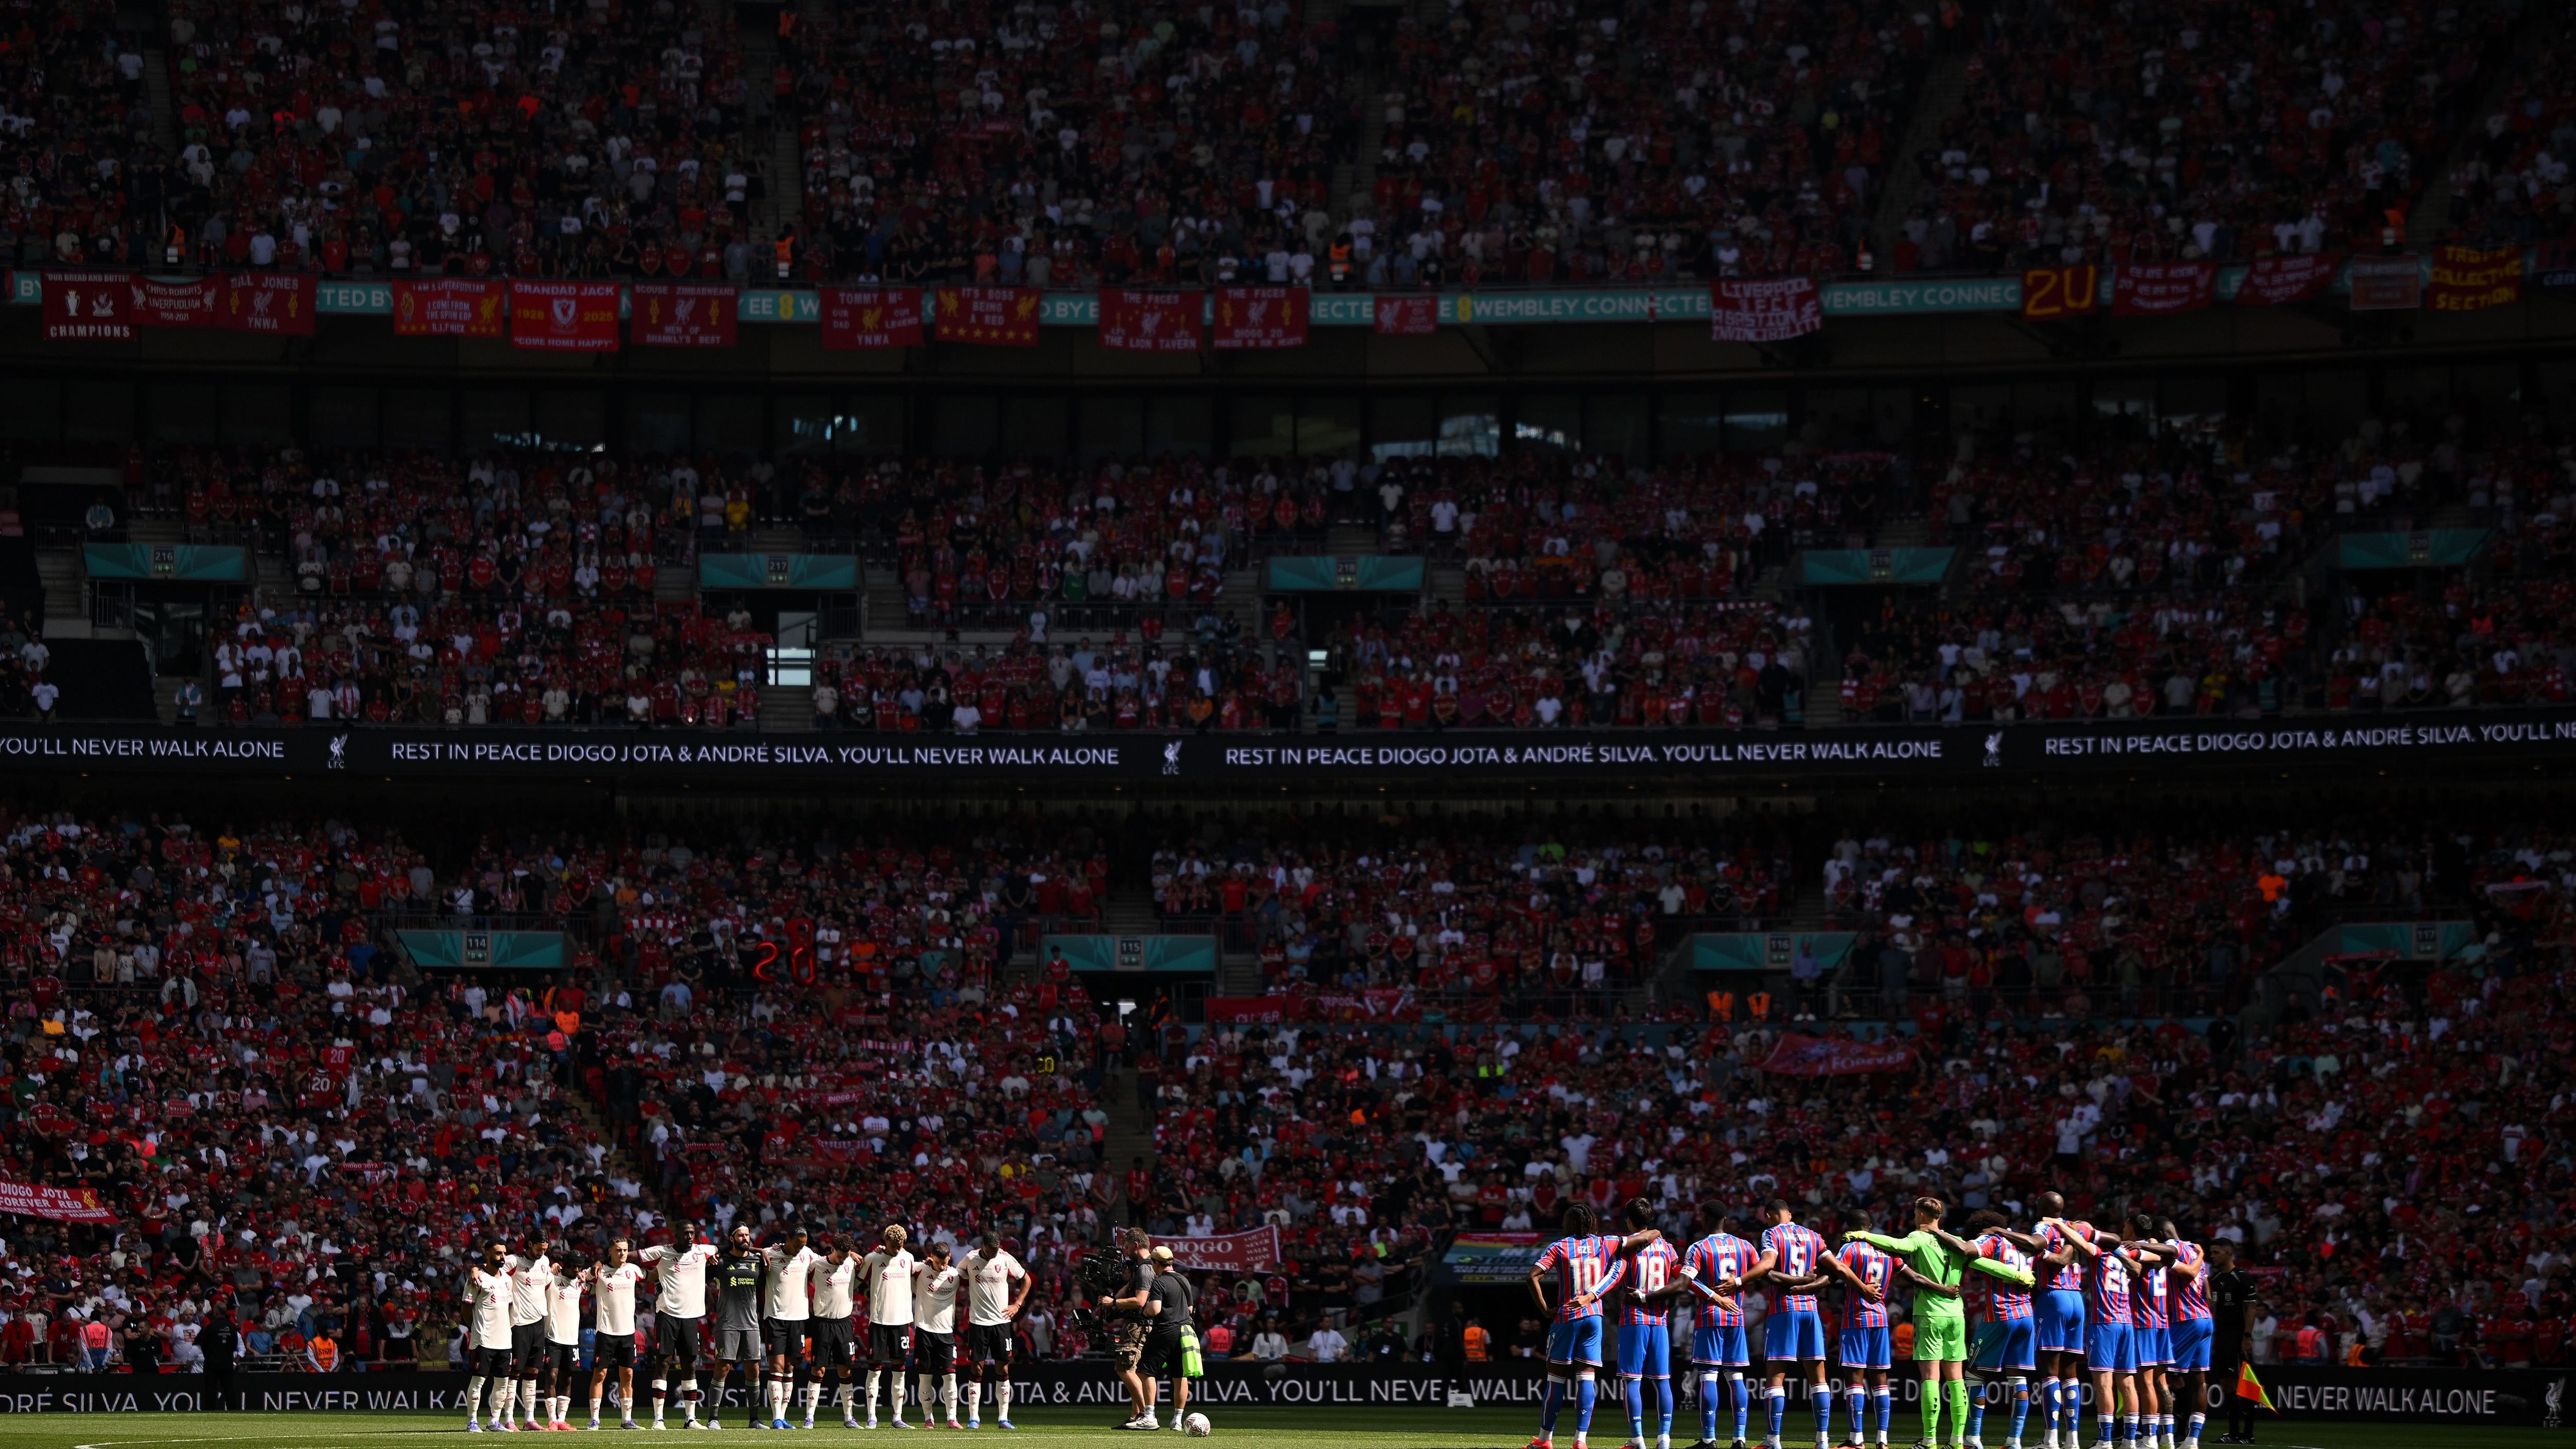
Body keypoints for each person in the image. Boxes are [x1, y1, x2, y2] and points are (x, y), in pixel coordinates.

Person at [1846, 1197, 2037, 1449]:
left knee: (1930, 1378)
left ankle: (1930, 1440)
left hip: (1929, 1314)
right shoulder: (1955, 1242)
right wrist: (2019, 1275)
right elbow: (1985, 1264)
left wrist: (1864, 1235)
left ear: (1922, 1215)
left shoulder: (1919, 1237)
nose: (1915, 1218)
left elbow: (1898, 1245)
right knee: (1956, 1379)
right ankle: (1957, 1440)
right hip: (1956, 1316)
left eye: (1916, 1213)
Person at [1524, 1201, 1663, 1449]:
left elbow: (1532, 1276)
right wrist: (1656, 1231)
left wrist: (1545, 1309)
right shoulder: (1605, 1243)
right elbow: (1646, 1237)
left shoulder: (1559, 1246)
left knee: (1556, 1379)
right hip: (1594, 1318)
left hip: (1568, 1317)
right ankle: (1581, 1440)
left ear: (1570, 1224)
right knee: (1586, 1379)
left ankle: (1545, 1439)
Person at [1962, 1209, 2070, 1449]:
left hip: (1999, 1315)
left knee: (1974, 1375)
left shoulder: (1992, 1239)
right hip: (2026, 1316)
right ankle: (2014, 1441)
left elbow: (1967, 1250)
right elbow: (2057, 1259)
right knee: (2018, 1379)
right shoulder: (2027, 1243)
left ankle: (1973, 1439)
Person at [1668, 1203, 1759, 1449]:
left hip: (1710, 1318)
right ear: (1726, 1219)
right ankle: (1740, 1438)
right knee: (1736, 1378)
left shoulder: (1699, 1247)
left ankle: (1709, 1439)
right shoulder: (1745, 1246)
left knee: (1709, 1377)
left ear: (1704, 1218)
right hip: (1736, 1316)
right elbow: (1762, 1270)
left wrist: (1711, 1294)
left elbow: (1686, 1281)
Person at [1746, 1199, 1834, 1449]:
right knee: (1819, 1379)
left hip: (1784, 1309)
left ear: (1769, 1216)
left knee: (1775, 1378)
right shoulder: (1814, 1236)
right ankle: (1823, 1440)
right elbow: (1835, 1271)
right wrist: (1809, 1285)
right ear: (1790, 1214)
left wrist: (1797, 1283)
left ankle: (1773, 1440)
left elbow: (1768, 1269)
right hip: (1811, 1311)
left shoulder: (1772, 1234)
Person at [1612, 1198, 1683, 1449]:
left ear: (1629, 1221)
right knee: (1662, 1380)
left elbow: (1614, 1276)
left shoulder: (1627, 1246)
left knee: (1632, 1380)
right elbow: (1679, 1276)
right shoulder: (1667, 1247)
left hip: (1634, 1319)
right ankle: (1664, 1439)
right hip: (1660, 1320)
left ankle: (1638, 1440)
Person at [1823, 1210, 1896, 1448]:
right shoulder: (1886, 1249)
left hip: (1856, 1318)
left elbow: (1837, 1272)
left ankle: (1857, 1439)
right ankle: (1883, 1440)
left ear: (1849, 1229)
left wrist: (1809, 1285)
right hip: (1881, 1319)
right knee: (1881, 1380)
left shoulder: (1851, 1248)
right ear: (1870, 1226)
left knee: (1855, 1380)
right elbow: (1910, 1275)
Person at [637, 1220, 717, 1428]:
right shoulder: (662, 1252)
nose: (690, 1237)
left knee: (690, 1365)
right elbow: (631, 1256)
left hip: (691, 1317)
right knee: (663, 1363)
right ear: (677, 1235)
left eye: (692, 1233)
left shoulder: (703, 1251)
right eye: (685, 1233)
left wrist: (759, 1251)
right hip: (667, 1315)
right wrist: (604, 1261)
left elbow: (722, 1248)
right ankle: (658, 1419)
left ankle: (691, 1419)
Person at [2030, 1195, 2092, 1449]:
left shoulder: (2043, 1227)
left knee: (2050, 1371)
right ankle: (2073, 1439)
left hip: (2054, 1297)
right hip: (2077, 1299)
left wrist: (2035, 1252)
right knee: (2070, 1373)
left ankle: (2051, 1438)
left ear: (2042, 1209)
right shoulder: (2075, 1228)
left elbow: (2039, 1245)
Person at [962, 1229, 1031, 1428]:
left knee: (1004, 1367)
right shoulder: (970, 1259)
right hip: (978, 1322)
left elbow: (1026, 1279)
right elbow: (957, 1275)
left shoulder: (1005, 1258)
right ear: (982, 1246)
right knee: (977, 1367)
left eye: (996, 1250)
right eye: (990, 1250)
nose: (994, 1254)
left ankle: (1003, 1418)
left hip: (1001, 1322)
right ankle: (974, 1418)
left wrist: (1017, 1304)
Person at [760, 1223, 821, 1429]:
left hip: (799, 1319)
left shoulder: (807, 1255)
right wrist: (759, 1250)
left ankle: (783, 1417)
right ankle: (776, 1417)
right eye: (797, 1245)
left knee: (789, 1368)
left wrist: (852, 1255)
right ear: (787, 1240)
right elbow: (745, 1253)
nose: (799, 1249)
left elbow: (828, 1261)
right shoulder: (770, 1254)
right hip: (775, 1318)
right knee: (776, 1367)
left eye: (803, 1245)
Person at [707, 1221, 767, 1429]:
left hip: (751, 1324)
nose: (745, 1239)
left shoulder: (757, 1261)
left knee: (754, 1369)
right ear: (732, 1238)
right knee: (723, 1367)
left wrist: (761, 1251)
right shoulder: (721, 1262)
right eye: (741, 1236)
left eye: (747, 1235)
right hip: (727, 1323)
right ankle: (713, 1418)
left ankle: (754, 1420)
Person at [862, 1223, 921, 1428]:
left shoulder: (909, 1258)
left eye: (900, 1245)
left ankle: (897, 1417)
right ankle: (872, 1417)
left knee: (900, 1370)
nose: (897, 1249)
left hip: (902, 1321)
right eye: (893, 1245)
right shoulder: (873, 1258)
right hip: (879, 1320)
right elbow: (858, 1279)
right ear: (885, 1241)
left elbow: (917, 1281)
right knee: (875, 1369)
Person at [2160, 1224, 2213, 1449]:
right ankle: (2192, 1439)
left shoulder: (2171, 1248)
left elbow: (2189, 1272)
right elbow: (2208, 1293)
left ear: (2160, 1235)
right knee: (2199, 1380)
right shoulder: (2193, 1249)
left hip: (2185, 1319)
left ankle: (2165, 1436)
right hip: (2205, 1317)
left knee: (2160, 1375)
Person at [586, 1237, 648, 1430]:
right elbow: (580, 1277)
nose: (623, 1254)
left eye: (625, 1250)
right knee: (600, 1374)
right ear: (610, 1251)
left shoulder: (633, 1270)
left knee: (627, 1375)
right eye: (619, 1250)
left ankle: (627, 1420)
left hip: (628, 1332)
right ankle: (595, 1419)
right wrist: (597, 1263)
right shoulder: (599, 1271)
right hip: (606, 1331)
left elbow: (651, 1275)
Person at [1100, 1229, 1159, 1429]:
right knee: (1135, 1371)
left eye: (1126, 1247)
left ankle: (1146, 1415)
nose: (1125, 1251)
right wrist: (1113, 1298)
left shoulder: (1145, 1269)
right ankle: (1136, 1416)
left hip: (1138, 1326)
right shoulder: (1146, 1267)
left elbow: (1140, 1301)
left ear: (1136, 1245)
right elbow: (1130, 1290)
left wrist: (1114, 1302)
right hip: (1142, 1325)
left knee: (1124, 1368)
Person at [807, 1234, 865, 1428]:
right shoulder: (817, 1265)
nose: (842, 1260)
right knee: (818, 1370)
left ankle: (849, 1418)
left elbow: (866, 1263)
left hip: (844, 1324)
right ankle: (809, 1418)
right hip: (822, 1323)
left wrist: (852, 1255)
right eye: (840, 1256)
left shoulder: (851, 1262)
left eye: (846, 1256)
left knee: (846, 1370)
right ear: (832, 1250)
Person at [2204, 1245, 2258, 1444]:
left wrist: (2247, 1336)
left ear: (2228, 1252)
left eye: (2216, 1252)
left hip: (2237, 1337)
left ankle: (2248, 1434)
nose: (2212, 1256)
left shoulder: (2241, 1277)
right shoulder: (2216, 1280)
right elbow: (2213, 1308)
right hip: (2222, 1337)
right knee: (2226, 1383)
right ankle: (2233, 1432)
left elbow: (2251, 1308)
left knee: (2244, 1384)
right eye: (2211, 1253)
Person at [1139, 1245, 1196, 1431]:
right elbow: (1190, 1310)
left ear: (1156, 1263)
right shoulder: (1184, 1281)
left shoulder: (1160, 1282)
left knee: (1146, 1371)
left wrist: (1145, 1311)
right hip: (1185, 1332)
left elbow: (1155, 1309)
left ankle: (1149, 1416)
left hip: (1165, 1331)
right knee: (1180, 1377)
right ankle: (1178, 1421)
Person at [464, 1238, 518, 1432]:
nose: (502, 1257)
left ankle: (494, 1422)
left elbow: (508, 1307)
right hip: (484, 1339)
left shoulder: (507, 1280)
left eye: (504, 1253)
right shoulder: (477, 1279)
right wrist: (476, 1327)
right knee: (478, 1381)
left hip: (505, 1341)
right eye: (498, 1253)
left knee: (503, 1383)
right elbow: (466, 1308)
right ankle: (472, 1422)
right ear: (487, 1253)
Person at [914, 1240, 967, 1428]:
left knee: (950, 1377)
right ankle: (929, 1419)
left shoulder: (955, 1275)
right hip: (924, 1330)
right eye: (937, 1262)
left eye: (944, 1263)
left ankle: (952, 1418)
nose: (941, 1267)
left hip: (946, 1333)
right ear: (932, 1257)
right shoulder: (920, 1270)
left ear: (949, 1258)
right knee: (925, 1377)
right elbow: (899, 1265)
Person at [198, 1299, 240, 1412]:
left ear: (216, 1312)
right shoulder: (232, 1326)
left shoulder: (210, 1327)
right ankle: (233, 1411)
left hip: (212, 1364)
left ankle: (210, 1411)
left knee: (210, 1390)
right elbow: (234, 1345)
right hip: (227, 1363)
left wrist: (209, 1356)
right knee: (229, 1389)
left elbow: (204, 1345)